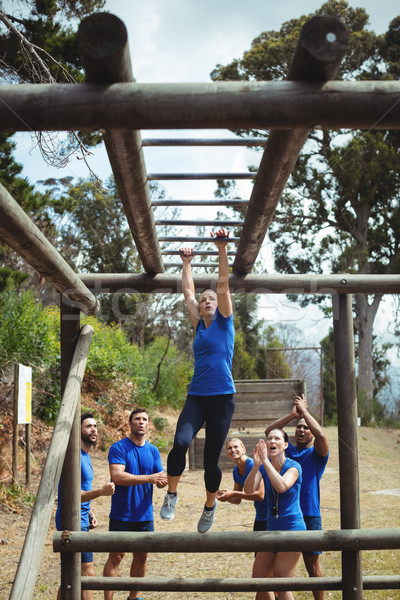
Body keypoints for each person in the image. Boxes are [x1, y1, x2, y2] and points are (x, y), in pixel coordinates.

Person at [160, 228, 235, 533]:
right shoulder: (198, 326)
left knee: (210, 463)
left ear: (218, 305)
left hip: (222, 401)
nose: (206, 301)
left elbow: (223, 283)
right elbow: (188, 293)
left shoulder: (225, 321)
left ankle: (209, 506)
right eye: (204, 300)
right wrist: (186, 262)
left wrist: (221, 248)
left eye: (211, 299)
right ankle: (172, 495)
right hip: (197, 397)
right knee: (179, 444)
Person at [265, 394, 329, 600]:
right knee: (276, 571)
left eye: (305, 427)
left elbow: (321, 435)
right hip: (285, 515)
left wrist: (305, 411)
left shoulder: (316, 455)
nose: (301, 430)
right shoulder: (287, 450)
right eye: (298, 427)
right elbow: (270, 433)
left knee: (312, 567)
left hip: (309, 515)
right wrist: (292, 415)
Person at [103, 408, 168, 600]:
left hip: (144, 515)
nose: (141, 422)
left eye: (145, 420)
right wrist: (149, 478)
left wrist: (162, 482)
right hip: (121, 514)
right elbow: (117, 476)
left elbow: (160, 478)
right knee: (116, 557)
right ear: (130, 424)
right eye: (137, 419)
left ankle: (134, 598)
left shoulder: (153, 450)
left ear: (148, 425)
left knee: (141, 557)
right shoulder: (119, 448)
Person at [56, 412, 115, 600]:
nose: (94, 429)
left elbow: (80, 490)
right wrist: (100, 492)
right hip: (70, 519)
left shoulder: (85, 456)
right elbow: (70, 495)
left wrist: (89, 511)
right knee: (87, 572)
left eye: (95, 426)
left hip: (81, 517)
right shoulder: (73, 458)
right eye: (88, 426)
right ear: (78, 430)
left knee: (71, 575)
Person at [244, 432, 306, 600]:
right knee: (259, 579)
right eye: (269, 438)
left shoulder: (294, 466)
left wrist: (265, 461)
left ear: (285, 445)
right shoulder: (263, 467)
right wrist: (256, 466)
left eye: (277, 438)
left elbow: (282, 486)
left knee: (281, 582)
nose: (272, 441)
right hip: (271, 528)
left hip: (293, 528)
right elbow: (248, 490)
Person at [216, 437, 267, 532]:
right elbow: (237, 500)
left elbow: (260, 495)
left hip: (272, 514)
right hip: (261, 514)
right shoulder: (236, 470)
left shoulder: (253, 465)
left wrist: (234, 493)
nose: (233, 450)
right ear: (227, 453)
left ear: (244, 450)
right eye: (229, 448)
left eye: (236, 447)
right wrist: (224, 497)